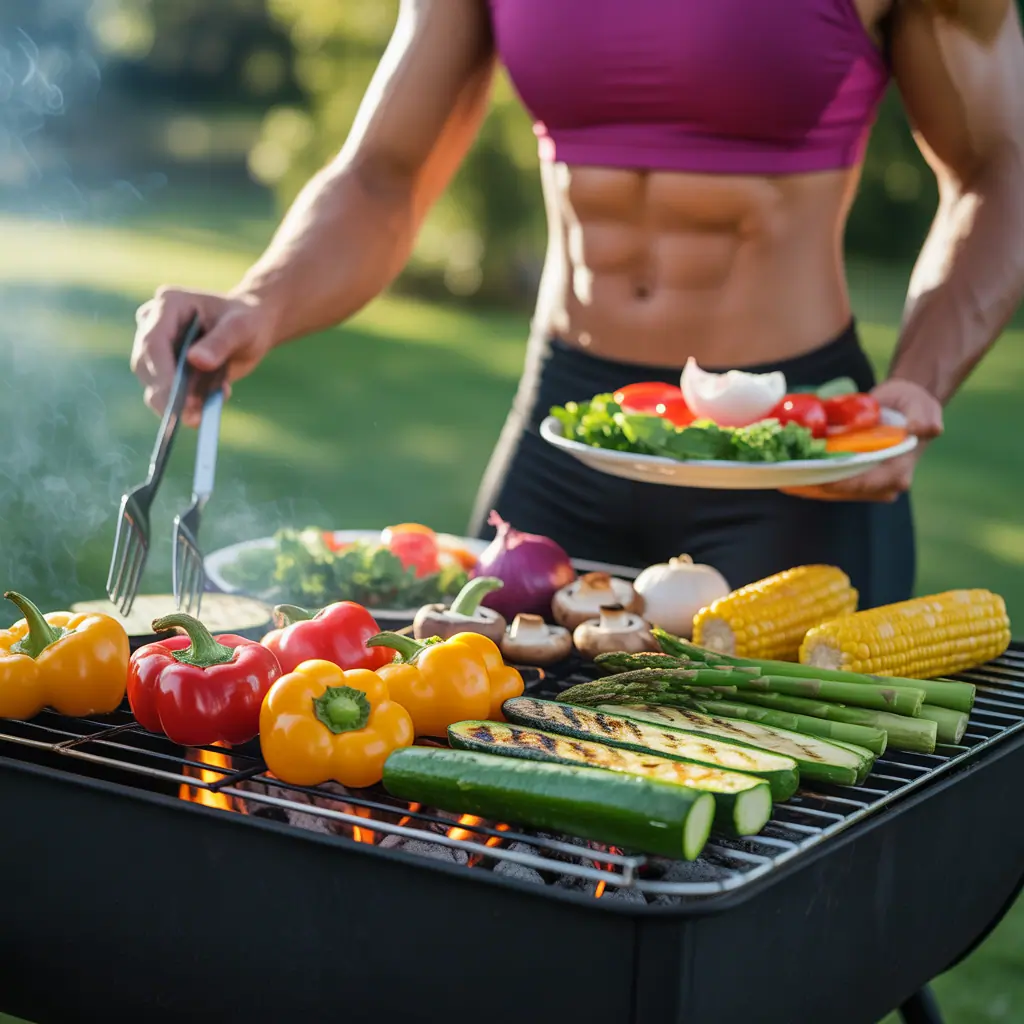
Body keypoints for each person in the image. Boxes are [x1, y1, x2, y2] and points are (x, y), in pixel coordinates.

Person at [131, 0, 1024, 609]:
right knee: (486, 810)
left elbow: (1003, 168)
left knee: (768, 839)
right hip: (567, 435)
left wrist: (918, 380)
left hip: (795, 455)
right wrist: (261, 301)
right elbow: (383, 174)